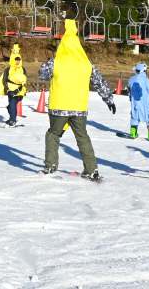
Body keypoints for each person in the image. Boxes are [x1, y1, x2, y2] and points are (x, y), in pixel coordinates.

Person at [38, 19, 116, 181]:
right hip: (79, 108)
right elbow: (99, 81)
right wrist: (109, 99)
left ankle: (50, 165)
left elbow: (42, 74)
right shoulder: (86, 64)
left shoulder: (56, 62)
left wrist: (51, 62)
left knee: (53, 134)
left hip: (59, 107)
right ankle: (91, 169)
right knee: (82, 137)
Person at [0, 43, 28, 127]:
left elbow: (24, 80)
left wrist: (20, 90)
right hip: (11, 90)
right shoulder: (8, 69)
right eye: (16, 59)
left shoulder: (22, 69)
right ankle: (12, 119)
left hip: (19, 91)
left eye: (19, 59)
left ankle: (12, 119)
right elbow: (4, 80)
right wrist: (8, 89)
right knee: (11, 106)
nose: (17, 61)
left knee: (12, 105)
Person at [126, 62, 149, 140]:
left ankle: (133, 133)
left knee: (134, 117)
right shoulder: (146, 80)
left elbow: (129, 89)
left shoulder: (131, 79)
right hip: (146, 104)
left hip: (135, 103)